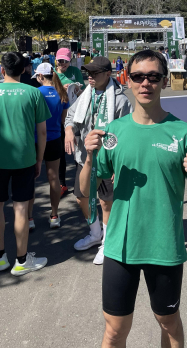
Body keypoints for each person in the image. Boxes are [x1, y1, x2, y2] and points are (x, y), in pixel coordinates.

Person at [79, 49, 187, 346]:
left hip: (164, 246)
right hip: (120, 247)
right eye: (138, 76)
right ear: (128, 80)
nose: (145, 83)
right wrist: (88, 159)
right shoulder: (113, 132)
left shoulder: (183, 133)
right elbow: (86, 191)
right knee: (114, 331)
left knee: (169, 324)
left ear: (164, 81)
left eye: (153, 77)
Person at [0, 52, 51, 276]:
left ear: (2, 69)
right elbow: (43, 132)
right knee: (21, 208)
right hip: (25, 159)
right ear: (25, 69)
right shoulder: (33, 93)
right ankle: (21, 260)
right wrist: (39, 159)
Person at [64, 56, 132, 264]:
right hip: (86, 157)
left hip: (109, 160)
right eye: (88, 73)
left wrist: (119, 165)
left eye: (95, 73)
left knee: (106, 202)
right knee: (81, 197)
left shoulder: (120, 100)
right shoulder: (86, 94)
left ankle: (107, 243)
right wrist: (69, 130)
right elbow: (71, 117)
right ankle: (95, 234)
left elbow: (126, 134)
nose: (90, 77)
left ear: (108, 74)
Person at [28, 63, 69, 229]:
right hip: (55, 139)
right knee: (54, 178)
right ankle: (54, 215)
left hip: (35, 140)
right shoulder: (62, 93)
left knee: (30, 179)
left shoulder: (35, 93)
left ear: (40, 76)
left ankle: (29, 218)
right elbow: (63, 120)